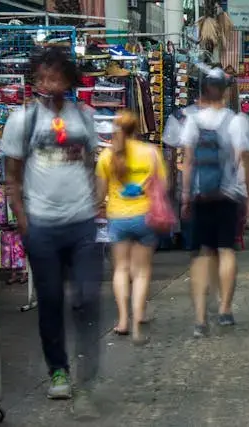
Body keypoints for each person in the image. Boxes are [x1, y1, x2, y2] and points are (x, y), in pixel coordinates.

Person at [1, 47, 102, 417]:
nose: (49, 84)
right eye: (42, 77)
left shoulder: (84, 118)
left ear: (69, 79)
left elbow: (91, 163)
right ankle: (58, 370)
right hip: (41, 225)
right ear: (35, 80)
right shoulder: (21, 121)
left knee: (88, 297)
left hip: (81, 223)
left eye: (56, 76)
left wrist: (93, 201)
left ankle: (89, 373)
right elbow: (11, 175)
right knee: (50, 301)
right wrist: (22, 218)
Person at [179, 67, 249, 338]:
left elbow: (187, 162)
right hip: (227, 196)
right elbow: (241, 159)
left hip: (200, 195)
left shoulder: (192, 120)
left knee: (201, 254)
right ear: (225, 90)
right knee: (226, 250)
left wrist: (185, 196)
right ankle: (224, 309)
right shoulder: (236, 121)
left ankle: (199, 318)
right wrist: (246, 195)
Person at [95, 111, 168, 345]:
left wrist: (99, 205)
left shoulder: (106, 155)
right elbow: (164, 186)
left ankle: (123, 320)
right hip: (145, 217)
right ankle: (138, 321)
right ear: (138, 128)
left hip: (117, 217)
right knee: (142, 271)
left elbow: (99, 193)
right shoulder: (151, 153)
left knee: (121, 270)